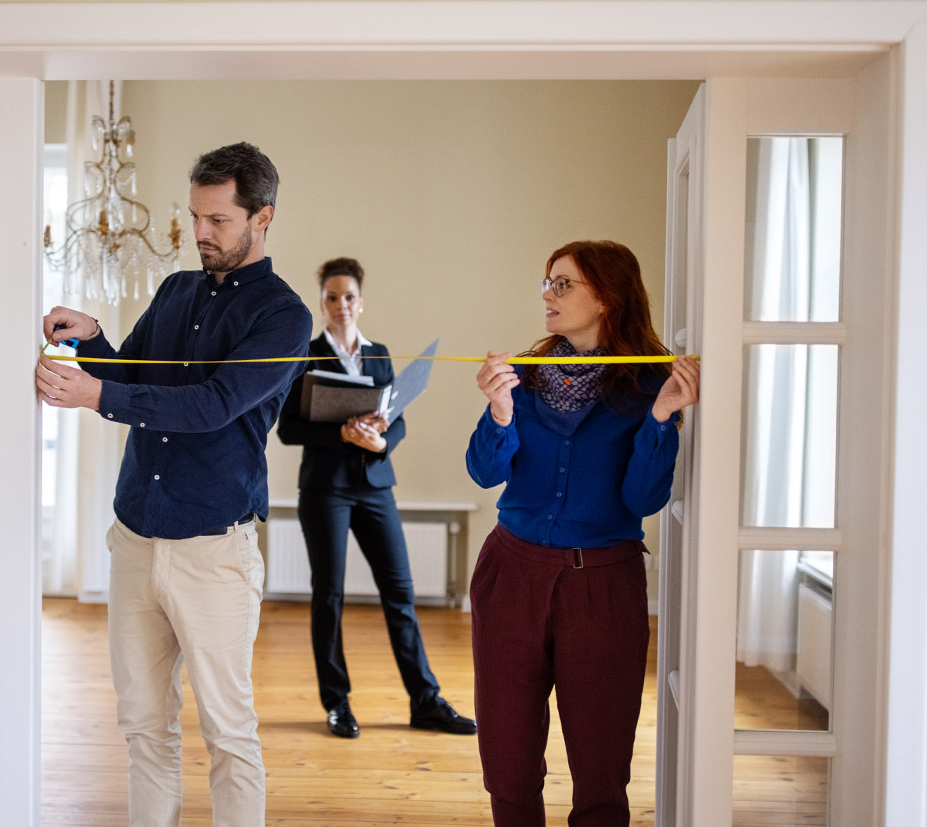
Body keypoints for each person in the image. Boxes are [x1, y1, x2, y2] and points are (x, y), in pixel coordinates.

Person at [35, 142, 311, 827]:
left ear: (263, 216)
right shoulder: (176, 289)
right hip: (134, 540)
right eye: (194, 216)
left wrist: (95, 392)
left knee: (228, 732)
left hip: (213, 554)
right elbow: (133, 376)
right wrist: (95, 340)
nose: (200, 234)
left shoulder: (284, 317)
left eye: (217, 219)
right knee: (143, 727)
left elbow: (211, 406)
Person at [466, 240, 700, 827]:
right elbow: (484, 472)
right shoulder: (523, 376)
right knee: (507, 755)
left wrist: (661, 419)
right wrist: (498, 412)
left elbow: (643, 500)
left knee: (601, 765)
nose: (548, 294)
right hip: (510, 575)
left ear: (608, 297)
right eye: (547, 282)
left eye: (563, 283)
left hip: (604, 586)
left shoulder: (651, 385)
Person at [276, 257, 477, 740]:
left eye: (348, 297)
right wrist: (343, 433)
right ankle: (337, 704)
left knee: (400, 594)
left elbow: (398, 417)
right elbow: (288, 430)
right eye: (331, 297)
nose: (341, 305)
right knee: (329, 596)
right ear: (321, 303)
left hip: (375, 486)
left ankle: (425, 701)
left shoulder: (380, 354)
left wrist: (383, 440)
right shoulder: (305, 356)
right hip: (324, 489)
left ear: (360, 303)